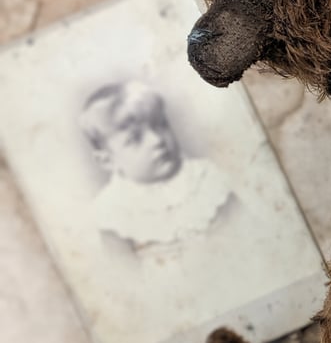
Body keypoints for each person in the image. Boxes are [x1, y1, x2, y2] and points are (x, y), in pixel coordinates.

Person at [79, 80, 234, 251]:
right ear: (107, 161)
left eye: (160, 125)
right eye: (135, 138)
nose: (157, 140)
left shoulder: (203, 178)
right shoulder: (112, 213)